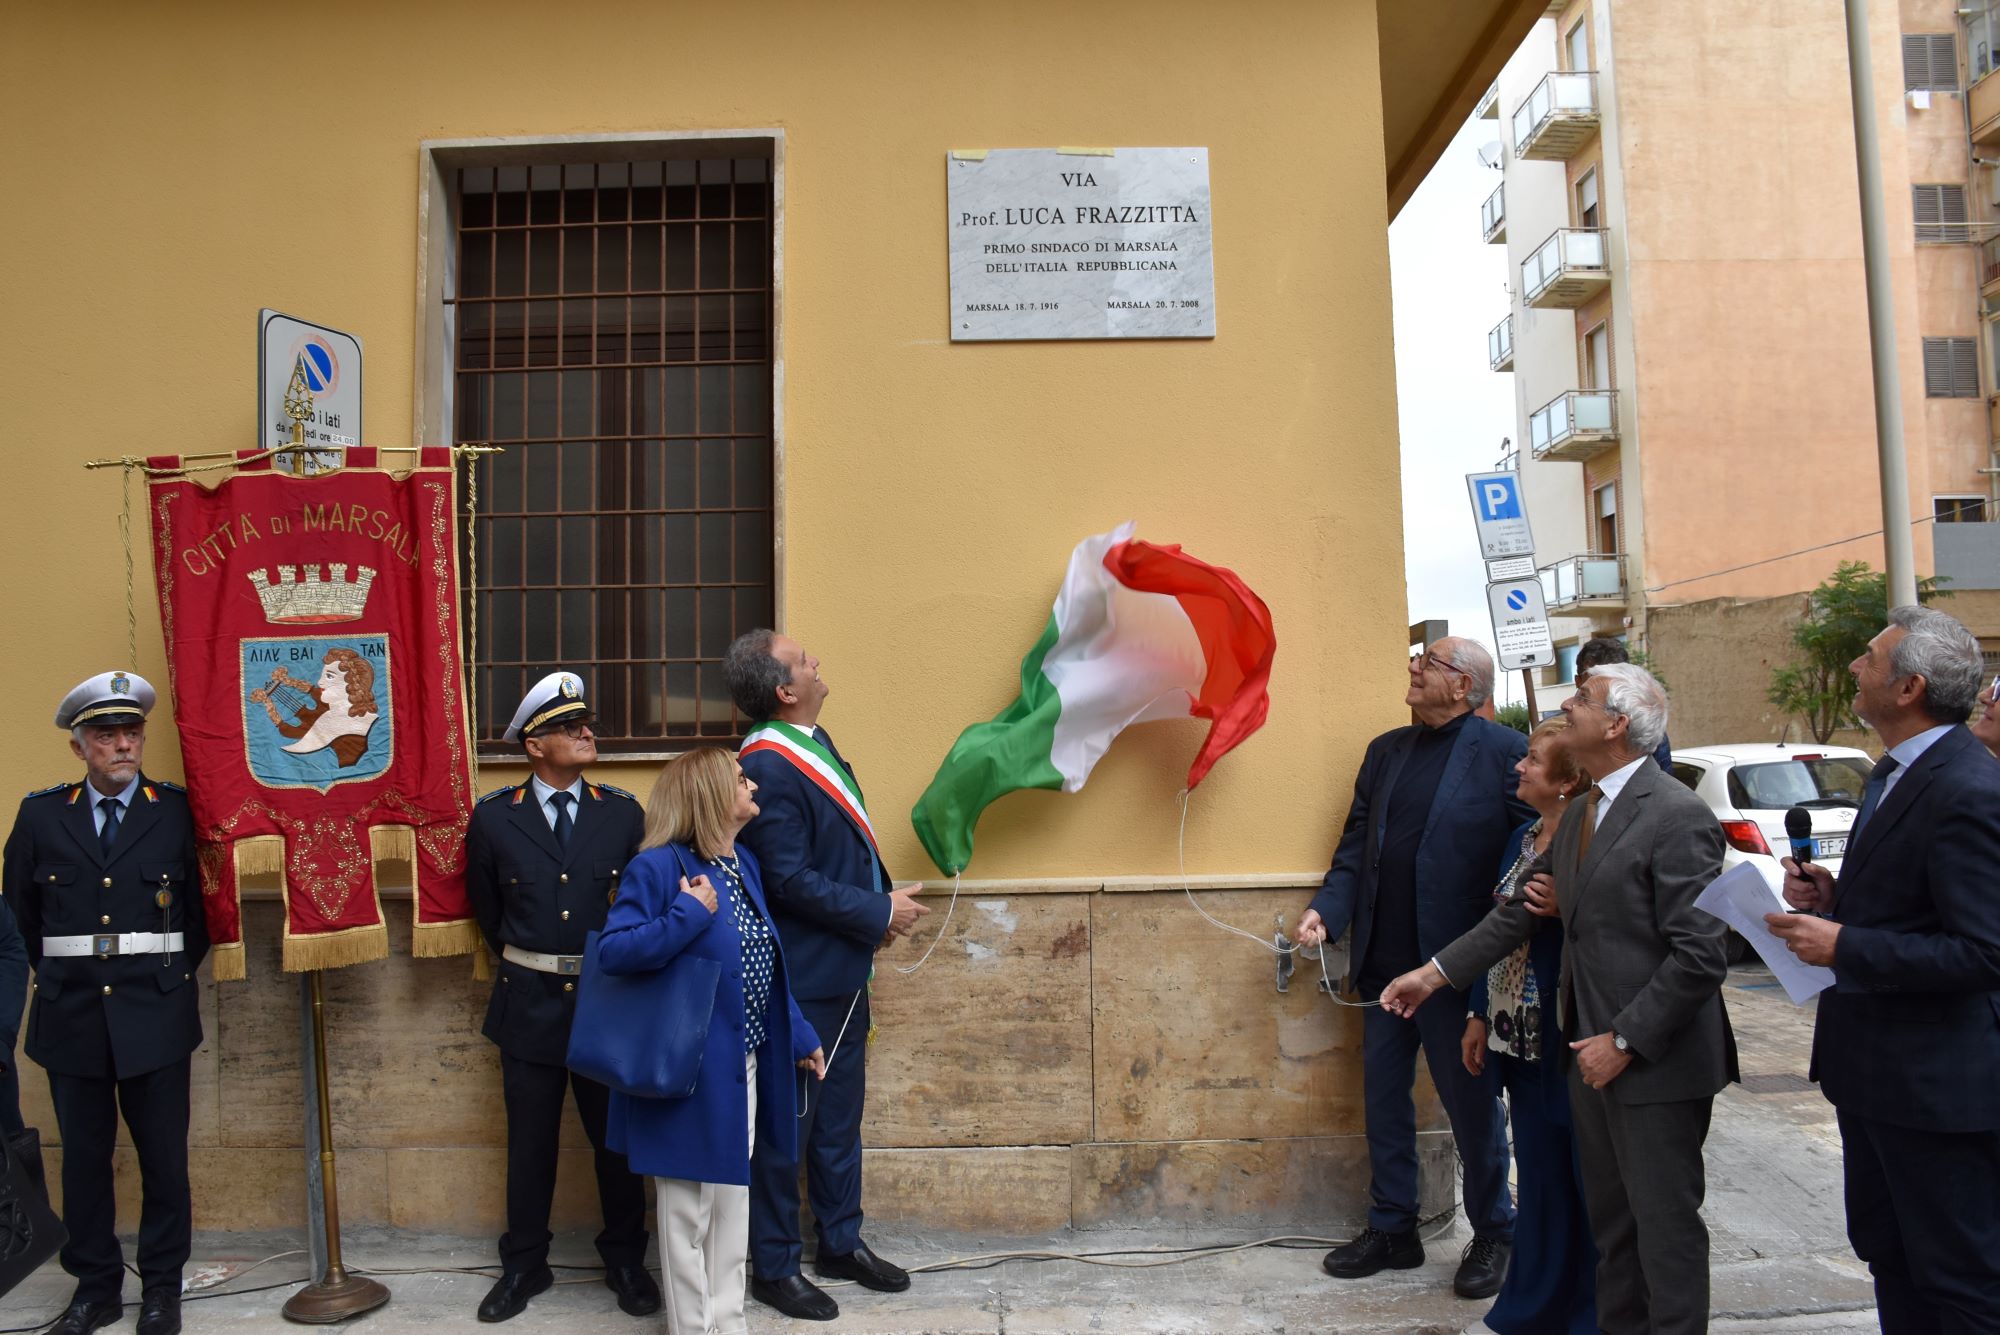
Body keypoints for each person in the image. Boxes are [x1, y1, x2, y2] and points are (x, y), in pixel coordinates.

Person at [1384, 662, 1735, 1335]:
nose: (1566, 705)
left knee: (1663, 1229)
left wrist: (1625, 1040)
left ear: (1616, 724)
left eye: (1582, 698)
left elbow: (1700, 954)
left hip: (1653, 1061)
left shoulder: (1678, 815)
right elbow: (1516, 914)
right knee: (1613, 1230)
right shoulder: (1582, 812)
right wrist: (1430, 976)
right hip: (1584, 1055)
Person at [1769, 606, 2000, 1334]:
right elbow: (1918, 907)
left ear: (1910, 687)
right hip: (1872, 1075)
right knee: (1890, 1255)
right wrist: (1838, 902)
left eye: (1869, 658)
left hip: (1938, 1089)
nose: (1853, 669)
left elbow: (1984, 950)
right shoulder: (1893, 773)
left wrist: (1844, 945)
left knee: (1957, 1281)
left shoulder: (1968, 787)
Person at [1292, 638, 1528, 1301]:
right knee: (1383, 1102)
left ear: (1464, 686)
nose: (1413, 666)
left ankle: (1495, 1231)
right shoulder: (1386, 750)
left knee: (1474, 1109)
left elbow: (1529, 852)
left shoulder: (1507, 754)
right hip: (1383, 968)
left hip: (1453, 971)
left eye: (1429, 661)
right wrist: (1326, 912)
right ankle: (1394, 1225)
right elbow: (1355, 847)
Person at [726, 629, 928, 1322]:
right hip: (803, 980)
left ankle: (840, 1240)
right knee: (791, 1129)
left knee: (840, 1121)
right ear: (785, 690)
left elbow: (837, 852)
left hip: (843, 970)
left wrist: (877, 917)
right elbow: (786, 878)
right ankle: (775, 1264)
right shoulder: (770, 764)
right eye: (804, 659)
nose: (817, 660)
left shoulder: (812, 746)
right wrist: (877, 911)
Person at [2, 672, 208, 1335]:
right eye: (104, 735)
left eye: (129, 733)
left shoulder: (177, 810)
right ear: (79, 746)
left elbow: (201, 918)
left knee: (163, 1161)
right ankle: (94, 1289)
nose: (120, 744)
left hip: (156, 1010)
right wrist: (65, 977)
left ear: (141, 738)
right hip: (73, 1014)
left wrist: (164, 978)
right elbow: (21, 922)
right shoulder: (40, 814)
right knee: (85, 1162)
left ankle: (161, 1290)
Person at [598, 748, 826, 1335]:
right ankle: (692, 1327)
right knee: (686, 1213)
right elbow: (615, 953)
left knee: (731, 1201)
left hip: (741, 1062)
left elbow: (764, 963)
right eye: (740, 778)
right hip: (684, 1071)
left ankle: (729, 1321)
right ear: (706, 794)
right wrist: (684, 913)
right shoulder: (657, 867)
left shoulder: (741, 863)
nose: (752, 784)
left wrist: (798, 1031)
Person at [464, 672, 659, 1323]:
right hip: (528, 1002)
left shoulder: (623, 812)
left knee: (616, 1145)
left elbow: (640, 905)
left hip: (606, 1002)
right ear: (535, 744)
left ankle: (626, 1259)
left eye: (585, 723)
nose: (586, 733)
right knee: (530, 1144)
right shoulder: (495, 818)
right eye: (570, 727)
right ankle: (523, 1264)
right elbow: (488, 913)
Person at [1460, 720, 1597, 1335]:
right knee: (1538, 1178)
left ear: (1569, 781)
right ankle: (1535, 1305)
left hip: (1567, 1036)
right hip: (1515, 1036)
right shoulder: (1521, 835)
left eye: (1535, 761)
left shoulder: (1590, 839)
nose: (1519, 767)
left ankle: (1586, 1312)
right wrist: (1475, 1012)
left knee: (1582, 1181)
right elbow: (1497, 930)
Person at [1572, 637, 1672, 770]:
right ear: (1578, 681)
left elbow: (1661, 784)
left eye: (1614, 679)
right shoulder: (1556, 730)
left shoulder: (1649, 732)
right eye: (1595, 677)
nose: (1607, 688)